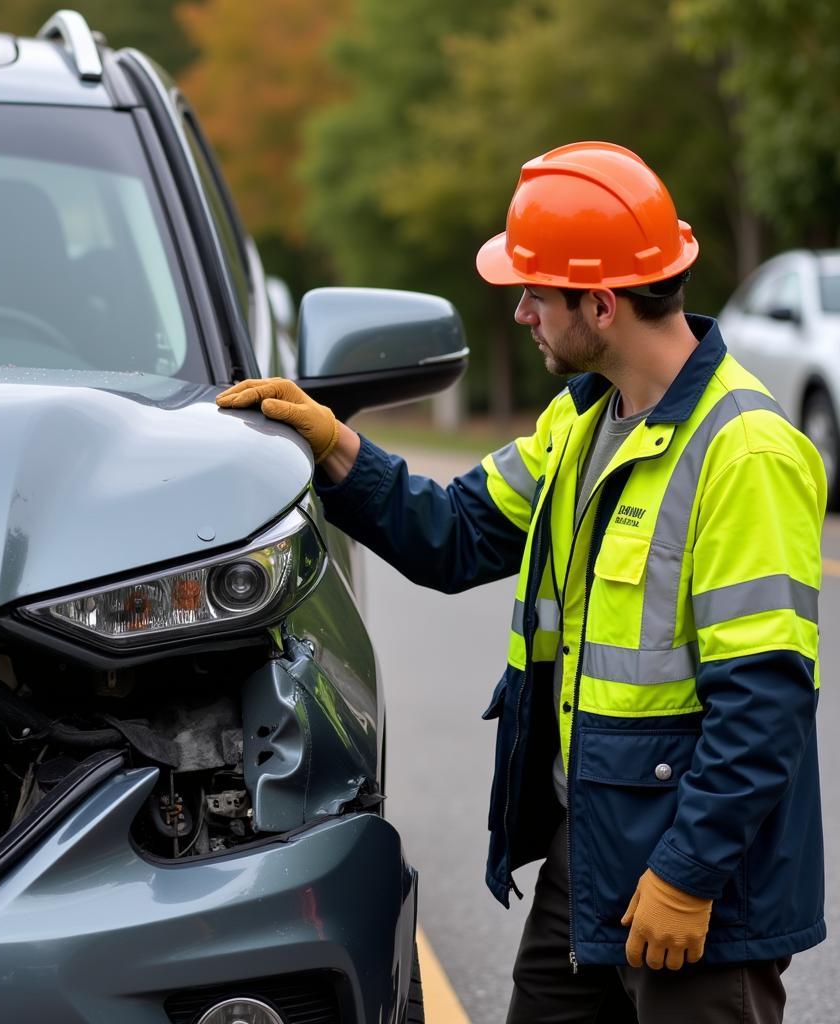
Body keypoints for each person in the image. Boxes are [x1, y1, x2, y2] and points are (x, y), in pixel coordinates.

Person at [217, 142, 826, 1023]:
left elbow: (764, 703)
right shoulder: (581, 423)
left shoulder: (747, 453)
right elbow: (454, 534)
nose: (523, 314)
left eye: (535, 294)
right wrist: (335, 448)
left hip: (699, 892)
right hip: (593, 860)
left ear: (604, 304)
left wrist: (688, 878)